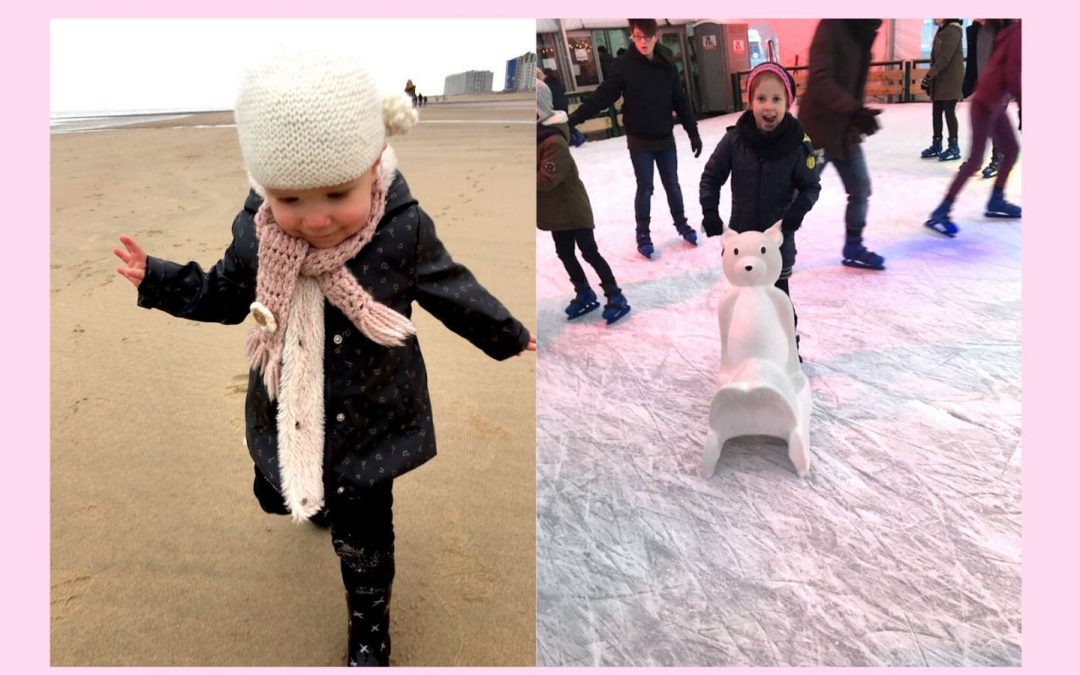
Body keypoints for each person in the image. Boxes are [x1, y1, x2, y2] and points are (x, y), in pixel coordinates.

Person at [113, 47, 536, 667]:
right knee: (277, 490)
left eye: (337, 194)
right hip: (286, 403)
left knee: (364, 543)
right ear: (263, 189)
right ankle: (299, 487)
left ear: (372, 167)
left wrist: (505, 332)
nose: (315, 220)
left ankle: (369, 628)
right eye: (290, 200)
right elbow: (226, 294)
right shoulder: (256, 232)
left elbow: (450, 287)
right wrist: (161, 279)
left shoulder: (402, 230)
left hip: (371, 420)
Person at [700, 62, 821, 353]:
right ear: (750, 101)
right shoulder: (734, 140)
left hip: (776, 243)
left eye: (777, 99)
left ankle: (789, 349)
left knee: (779, 297)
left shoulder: (797, 145)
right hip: (741, 243)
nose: (769, 107)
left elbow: (811, 187)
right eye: (761, 98)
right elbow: (711, 177)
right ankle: (750, 348)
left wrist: (794, 216)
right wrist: (710, 213)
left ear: (788, 103)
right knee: (744, 299)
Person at [567, 18, 703, 260]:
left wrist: (693, 132)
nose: (643, 42)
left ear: (656, 36)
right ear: (632, 35)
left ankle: (682, 224)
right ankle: (643, 234)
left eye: (647, 36)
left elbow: (680, 100)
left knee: (672, 184)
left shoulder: (667, 63)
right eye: (638, 36)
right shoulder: (624, 65)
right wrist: (574, 118)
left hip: (664, 137)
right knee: (646, 187)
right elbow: (603, 96)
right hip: (640, 139)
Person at [537, 80, 630, 325]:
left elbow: (547, 179)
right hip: (556, 213)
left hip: (573, 210)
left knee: (589, 252)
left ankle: (615, 295)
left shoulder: (553, 142)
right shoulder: (536, 138)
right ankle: (584, 291)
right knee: (565, 253)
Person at [797, 19, 887, 271]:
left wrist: (857, 118)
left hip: (845, 132)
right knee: (796, 196)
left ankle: (853, 247)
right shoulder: (831, 26)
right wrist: (855, 111)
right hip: (817, 132)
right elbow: (820, 79)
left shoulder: (864, 31)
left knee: (860, 189)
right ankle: (773, 247)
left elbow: (852, 83)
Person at [925, 21, 1021, 237]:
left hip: (994, 100)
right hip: (986, 102)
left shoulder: (1013, 30)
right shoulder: (1018, 32)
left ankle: (996, 199)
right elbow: (1013, 72)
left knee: (1012, 150)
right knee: (976, 160)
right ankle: (942, 210)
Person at [962, 19, 1013, 177]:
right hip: (983, 86)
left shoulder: (1005, 27)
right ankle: (976, 160)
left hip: (1000, 86)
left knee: (995, 124)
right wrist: (969, 84)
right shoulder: (975, 31)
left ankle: (998, 158)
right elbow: (973, 62)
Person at [919, 19, 964, 161]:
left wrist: (929, 75)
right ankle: (937, 144)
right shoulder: (942, 30)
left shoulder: (953, 31)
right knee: (936, 112)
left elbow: (945, 57)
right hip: (940, 78)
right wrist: (932, 78)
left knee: (949, 112)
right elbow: (936, 57)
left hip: (950, 79)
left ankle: (953, 147)